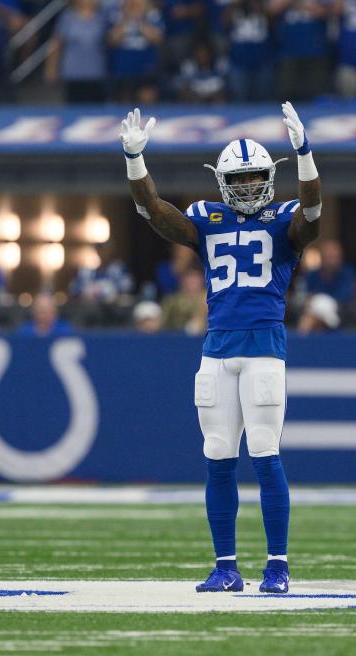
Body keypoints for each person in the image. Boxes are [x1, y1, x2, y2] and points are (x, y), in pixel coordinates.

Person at [121, 101, 322, 595]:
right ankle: (225, 566)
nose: (252, 186)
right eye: (242, 178)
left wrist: (305, 153)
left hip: (263, 348)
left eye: (258, 177)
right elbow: (154, 212)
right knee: (216, 455)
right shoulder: (206, 218)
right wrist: (134, 161)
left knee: (265, 451)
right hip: (216, 349)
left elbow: (313, 212)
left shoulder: (283, 218)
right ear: (223, 182)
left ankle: (277, 566)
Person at [44, 0, 108, 103]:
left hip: (96, 73)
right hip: (72, 72)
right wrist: (51, 69)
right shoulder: (67, 17)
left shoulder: (103, 17)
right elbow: (56, 44)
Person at [304, 239, 356, 305]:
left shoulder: (347, 273)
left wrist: (318, 299)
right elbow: (306, 296)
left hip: (341, 311)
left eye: (335, 256)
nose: (332, 261)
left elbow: (345, 298)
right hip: (313, 309)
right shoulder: (312, 275)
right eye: (329, 257)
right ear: (322, 257)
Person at [161, 268, 208, 334]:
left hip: (205, 337)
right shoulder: (172, 300)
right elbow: (163, 323)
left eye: (195, 277)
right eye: (189, 277)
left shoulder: (210, 298)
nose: (192, 281)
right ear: (182, 280)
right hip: (178, 338)